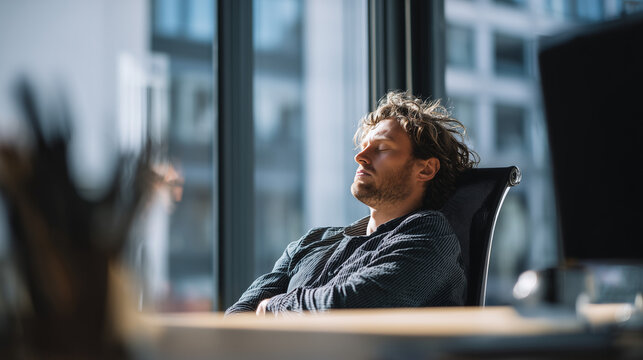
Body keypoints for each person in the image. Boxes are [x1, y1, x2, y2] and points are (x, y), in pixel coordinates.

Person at [225, 91, 479, 316]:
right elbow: (238, 317)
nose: (360, 156)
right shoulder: (311, 242)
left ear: (425, 169)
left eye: (381, 148)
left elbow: (348, 308)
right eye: (363, 146)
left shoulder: (430, 236)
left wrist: (274, 308)